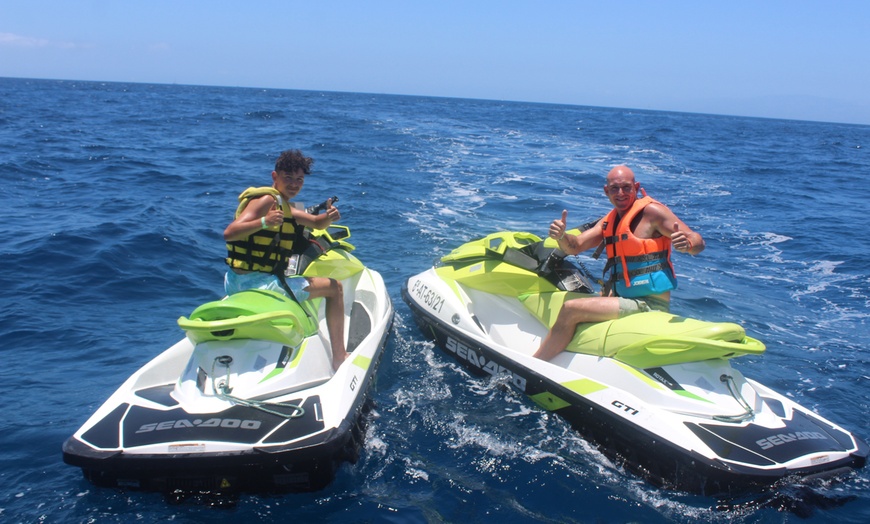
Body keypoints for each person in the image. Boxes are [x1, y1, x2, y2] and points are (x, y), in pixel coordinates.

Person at [532, 165, 705, 361]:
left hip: (648, 304)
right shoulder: (610, 220)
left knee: (571, 309)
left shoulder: (653, 213)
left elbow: (697, 241)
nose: (620, 193)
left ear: (636, 187)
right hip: (623, 297)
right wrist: (562, 236)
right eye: (614, 188)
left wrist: (688, 244)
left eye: (626, 187)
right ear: (606, 191)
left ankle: (535, 364)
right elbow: (575, 246)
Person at [223, 149, 348, 371]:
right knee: (334, 288)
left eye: (299, 179)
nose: (294, 184)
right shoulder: (267, 200)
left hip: (236, 281)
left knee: (298, 277)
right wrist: (264, 222)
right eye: (288, 178)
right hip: (259, 284)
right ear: (274, 177)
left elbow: (316, 224)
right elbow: (230, 232)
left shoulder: (283, 204)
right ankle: (339, 355)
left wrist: (328, 217)